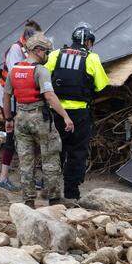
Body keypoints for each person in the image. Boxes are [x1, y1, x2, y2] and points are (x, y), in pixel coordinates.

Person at [1, 33, 74, 208]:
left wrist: (8, 118)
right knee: (50, 159)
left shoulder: (14, 70)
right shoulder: (41, 71)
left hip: (20, 119)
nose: (47, 55)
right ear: (38, 50)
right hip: (40, 119)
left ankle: (28, 201)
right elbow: (49, 96)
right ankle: (54, 200)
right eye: (46, 51)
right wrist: (65, 116)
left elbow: (6, 96)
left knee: (26, 162)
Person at [46, 22, 108, 204]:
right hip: (79, 114)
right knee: (77, 152)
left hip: (56, 112)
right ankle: (72, 193)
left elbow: (44, 78)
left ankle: (53, 194)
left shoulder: (56, 54)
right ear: (88, 42)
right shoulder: (92, 58)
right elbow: (101, 84)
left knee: (56, 152)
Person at [0, 20, 42, 191]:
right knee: (11, 139)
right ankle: (3, 178)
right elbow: (16, 78)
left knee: (29, 139)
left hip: (20, 100)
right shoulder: (15, 50)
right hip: (10, 100)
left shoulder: (26, 50)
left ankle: (28, 177)